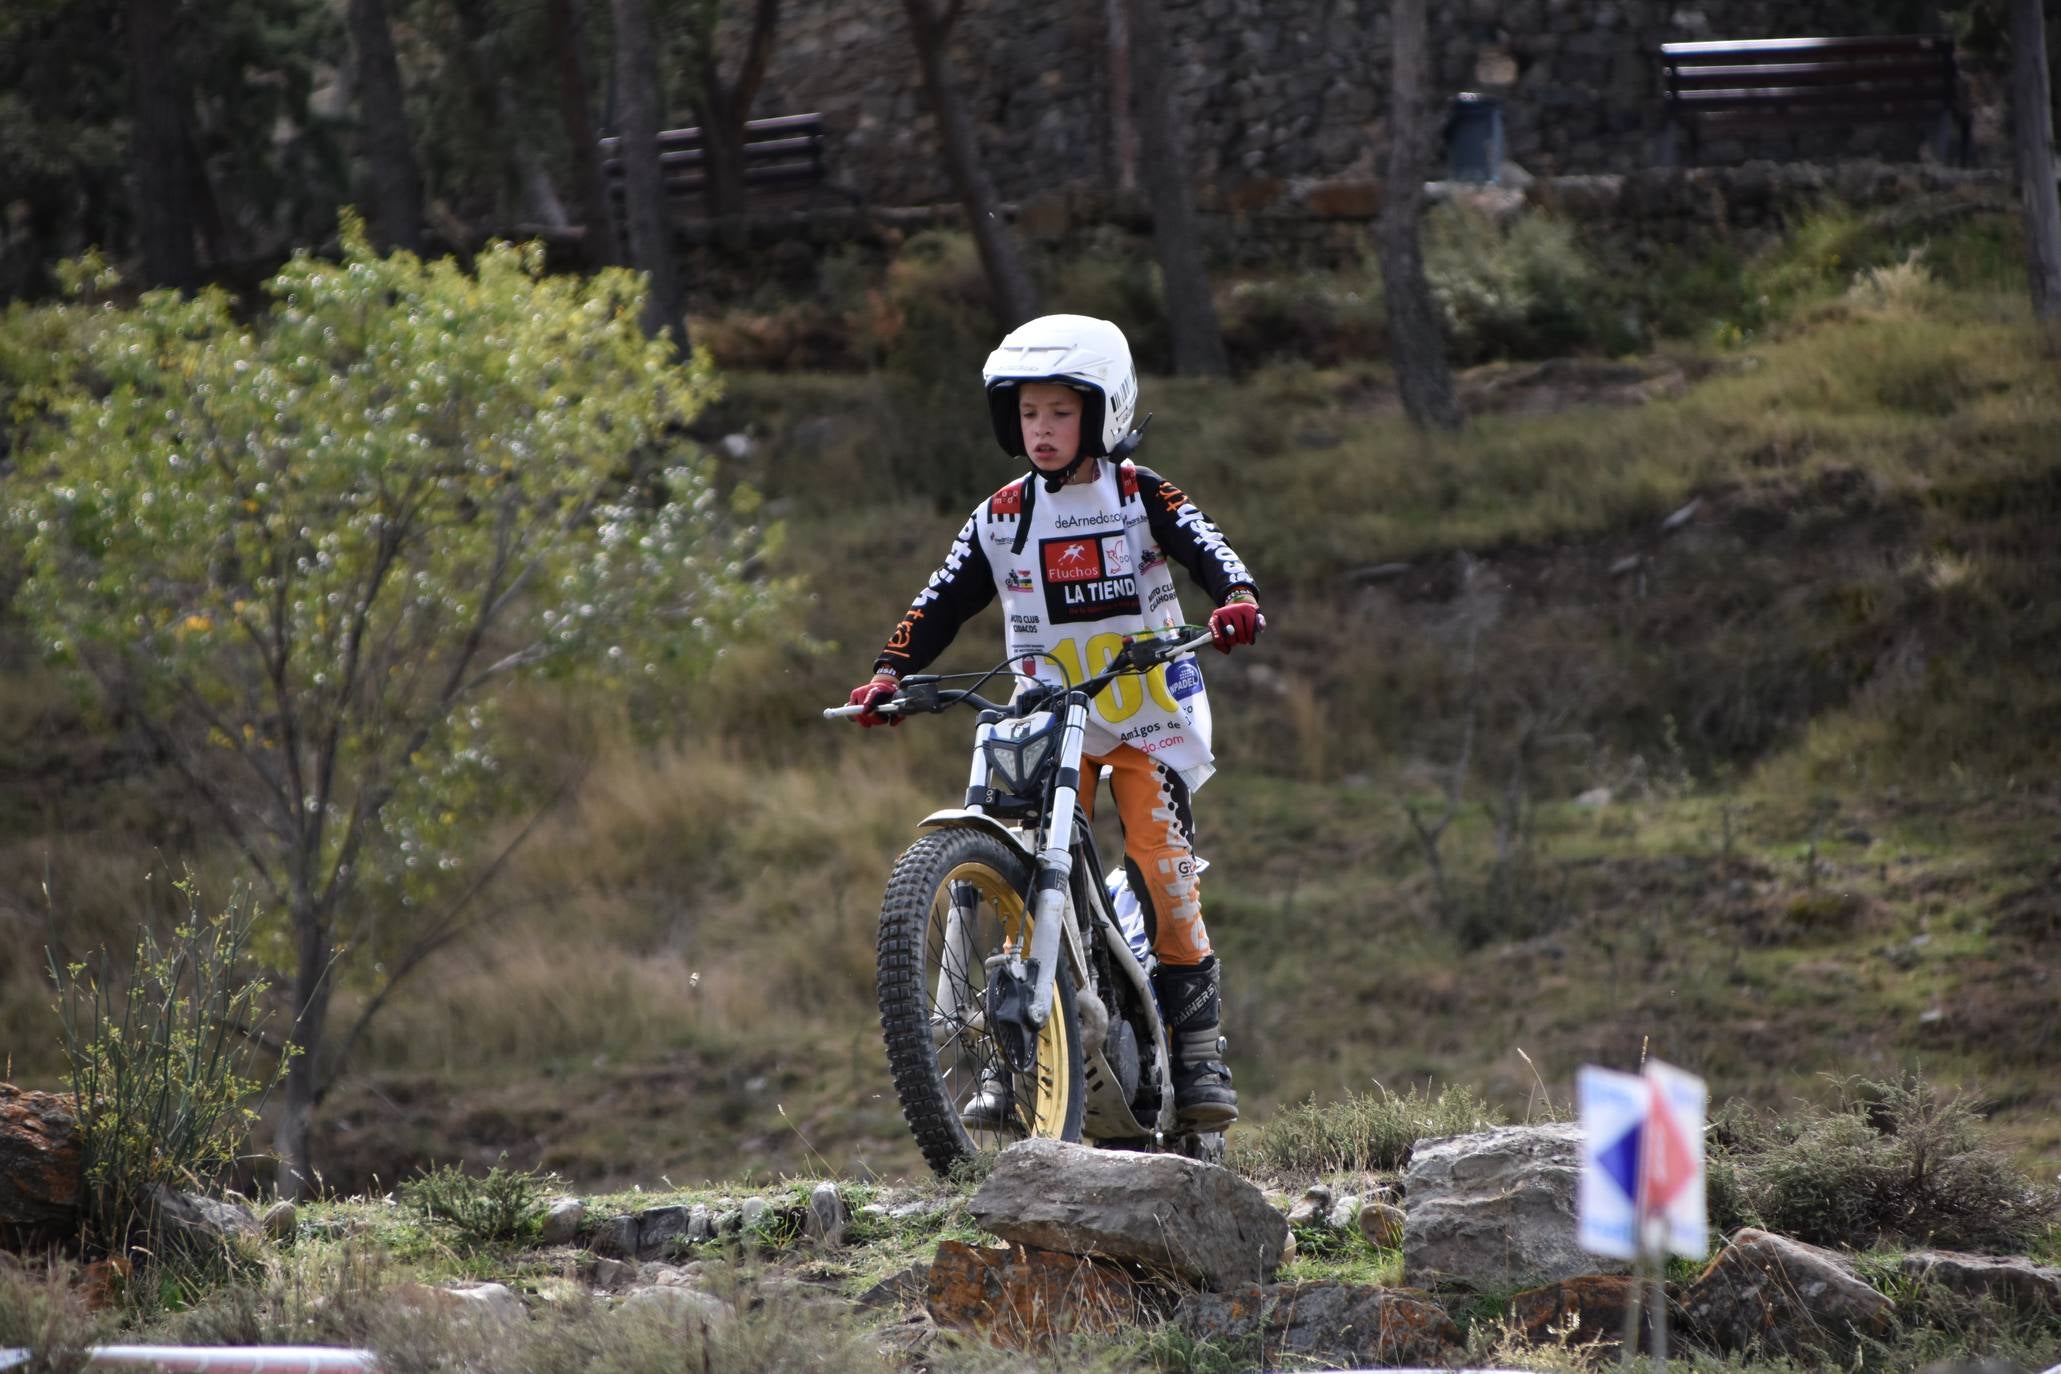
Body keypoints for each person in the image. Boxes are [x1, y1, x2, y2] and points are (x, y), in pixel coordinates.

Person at [844, 313, 1264, 1130]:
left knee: (1160, 862)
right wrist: (889, 671)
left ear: (1104, 411)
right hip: (1044, 709)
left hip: (1148, 712)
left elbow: (1210, 549)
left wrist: (1237, 601)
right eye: (1028, 414)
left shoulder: (1143, 493)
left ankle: (1199, 1048)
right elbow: (940, 601)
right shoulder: (1000, 515)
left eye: (1060, 413)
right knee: (1014, 858)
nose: (1041, 430)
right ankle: (1014, 1055)